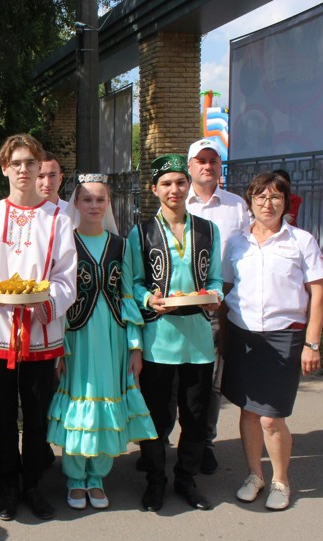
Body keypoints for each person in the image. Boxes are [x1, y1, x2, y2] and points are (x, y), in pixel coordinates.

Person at [0, 133, 77, 521]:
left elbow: (68, 276)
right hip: (0, 331)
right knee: (1, 413)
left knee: (37, 414)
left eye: (30, 163)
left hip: (41, 334)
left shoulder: (58, 218)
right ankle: (7, 485)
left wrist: (45, 303)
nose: (23, 169)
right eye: (15, 163)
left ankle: (33, 484)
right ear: (4, 169)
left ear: (40, 168)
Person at [47, 174, 157, 510]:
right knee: (80, 401)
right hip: (77, 336)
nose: (94, 205)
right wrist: (59, 349)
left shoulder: (120, 245)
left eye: (100, 199)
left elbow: (127, 296)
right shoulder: (65, 245)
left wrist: (135, 346)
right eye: (87, 200)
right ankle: (75, 477)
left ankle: (98, 477)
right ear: (75, 204)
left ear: (108, 203)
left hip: (112, 337)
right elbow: (61, 299)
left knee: (107, 401)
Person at [221, 172, 323, 511]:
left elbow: (319, 292)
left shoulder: (301, 241)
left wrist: (312, 343)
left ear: (285, 202)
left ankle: (281, 480)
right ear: (250, 202)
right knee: (249, 412)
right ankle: (255, 475)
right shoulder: (236, 242)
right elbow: (225, 290)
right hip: (243, 336)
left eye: (275, 198)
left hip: (285, 336)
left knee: (271, 416)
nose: (268, 204)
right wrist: (223, 339)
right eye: (261, 198)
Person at [127, 154, 223, 512]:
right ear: (154, 189)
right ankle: (155, 480)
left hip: (198, 339)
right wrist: (149, 297)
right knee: (156, 416)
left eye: (180, 182)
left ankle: (186, 479)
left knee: (195, 415)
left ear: (188, 186)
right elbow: (133, 284)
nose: (174, 189)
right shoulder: (141, 233)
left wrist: (216, 296)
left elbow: (213, 278)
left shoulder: (207, 230)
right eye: (166, 183)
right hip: (158, 341)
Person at [185, 138, 252, 475]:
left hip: (220, 304)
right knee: (173, 378)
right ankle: (161, 443)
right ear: (190, 167)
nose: (208, 166)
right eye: (201, 161)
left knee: (210, 380)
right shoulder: (176, 200)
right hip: (180, 305)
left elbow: (250, 251)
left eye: (213, 160)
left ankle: (204, 443)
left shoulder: (237, 206)